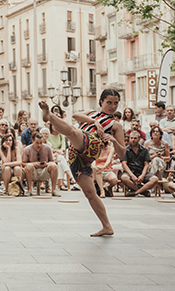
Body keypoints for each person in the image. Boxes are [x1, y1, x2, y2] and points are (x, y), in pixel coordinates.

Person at [39, 90, 126, 237]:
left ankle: (50, 117)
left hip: (91, 145)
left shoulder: (116, 125)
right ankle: (107, 226)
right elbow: (75, 116)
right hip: (76, 155)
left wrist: (113, 140)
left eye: (116, 103)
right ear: (101, 102)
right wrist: (94, 121)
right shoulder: (91, 113)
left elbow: (122, 153)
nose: (112, 106)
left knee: (73, 132)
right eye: (109, 102)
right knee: (90, 193)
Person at [121, 131, 159, 197]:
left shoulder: (145, 150)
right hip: (130, 172)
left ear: (139, 139)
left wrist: (142, 175)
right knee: (124, 178)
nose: (133, 140)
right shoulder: (125, 150)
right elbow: (124, 164)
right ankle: (143, 191)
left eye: (135, 138)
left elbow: (146, 164)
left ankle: (136, 192)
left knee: (155, 179)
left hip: (141, 171)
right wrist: (132, 175)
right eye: (131, 138)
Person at [22, 132, 59, 197]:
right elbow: (23, 163)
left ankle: (53, 190)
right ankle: (29, 190)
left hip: (44, 171)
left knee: (54, 166)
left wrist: (46, 164)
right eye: (37, 143)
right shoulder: (27, 149)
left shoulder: (47, 148)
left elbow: (52, 161)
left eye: (41, 142)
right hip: (33, 171)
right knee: (29, 166)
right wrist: (33, 164)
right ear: (33, 140)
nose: (39, 145)